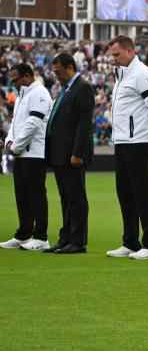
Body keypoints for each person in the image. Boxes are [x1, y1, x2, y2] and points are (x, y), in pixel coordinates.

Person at [104, 36, 148, 261]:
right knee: (125, 193)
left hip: (139, 142)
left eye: (117, 54)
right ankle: (130, 242)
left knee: (142, 193)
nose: (113, 59)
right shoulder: (122, 75)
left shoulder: (141, 73)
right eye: (112, 55)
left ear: (130, 51)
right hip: (123, 141)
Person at [44, 53, 95, 254]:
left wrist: (78, 153)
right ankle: (65, 238)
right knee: (66, 197)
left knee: (76, 198)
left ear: (70, 67)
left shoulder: (82, 88)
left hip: (72, 155)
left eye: (59, 71)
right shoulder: (67, 89)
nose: (56, 75)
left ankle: (77, 240)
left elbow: (84, 124)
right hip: (60, 153)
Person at [0, 64, 52, 251]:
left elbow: (33, 123)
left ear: (28, 76)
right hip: (22, 152)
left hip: (34, 153)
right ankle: (24, 234)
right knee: (22, 195)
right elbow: (15, 122)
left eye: (16, 78)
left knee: (36, 195)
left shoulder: (39, 93)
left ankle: (41, 237)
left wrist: (16, 145)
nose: (13, 82)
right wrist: (9, 140)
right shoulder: (24, 94)